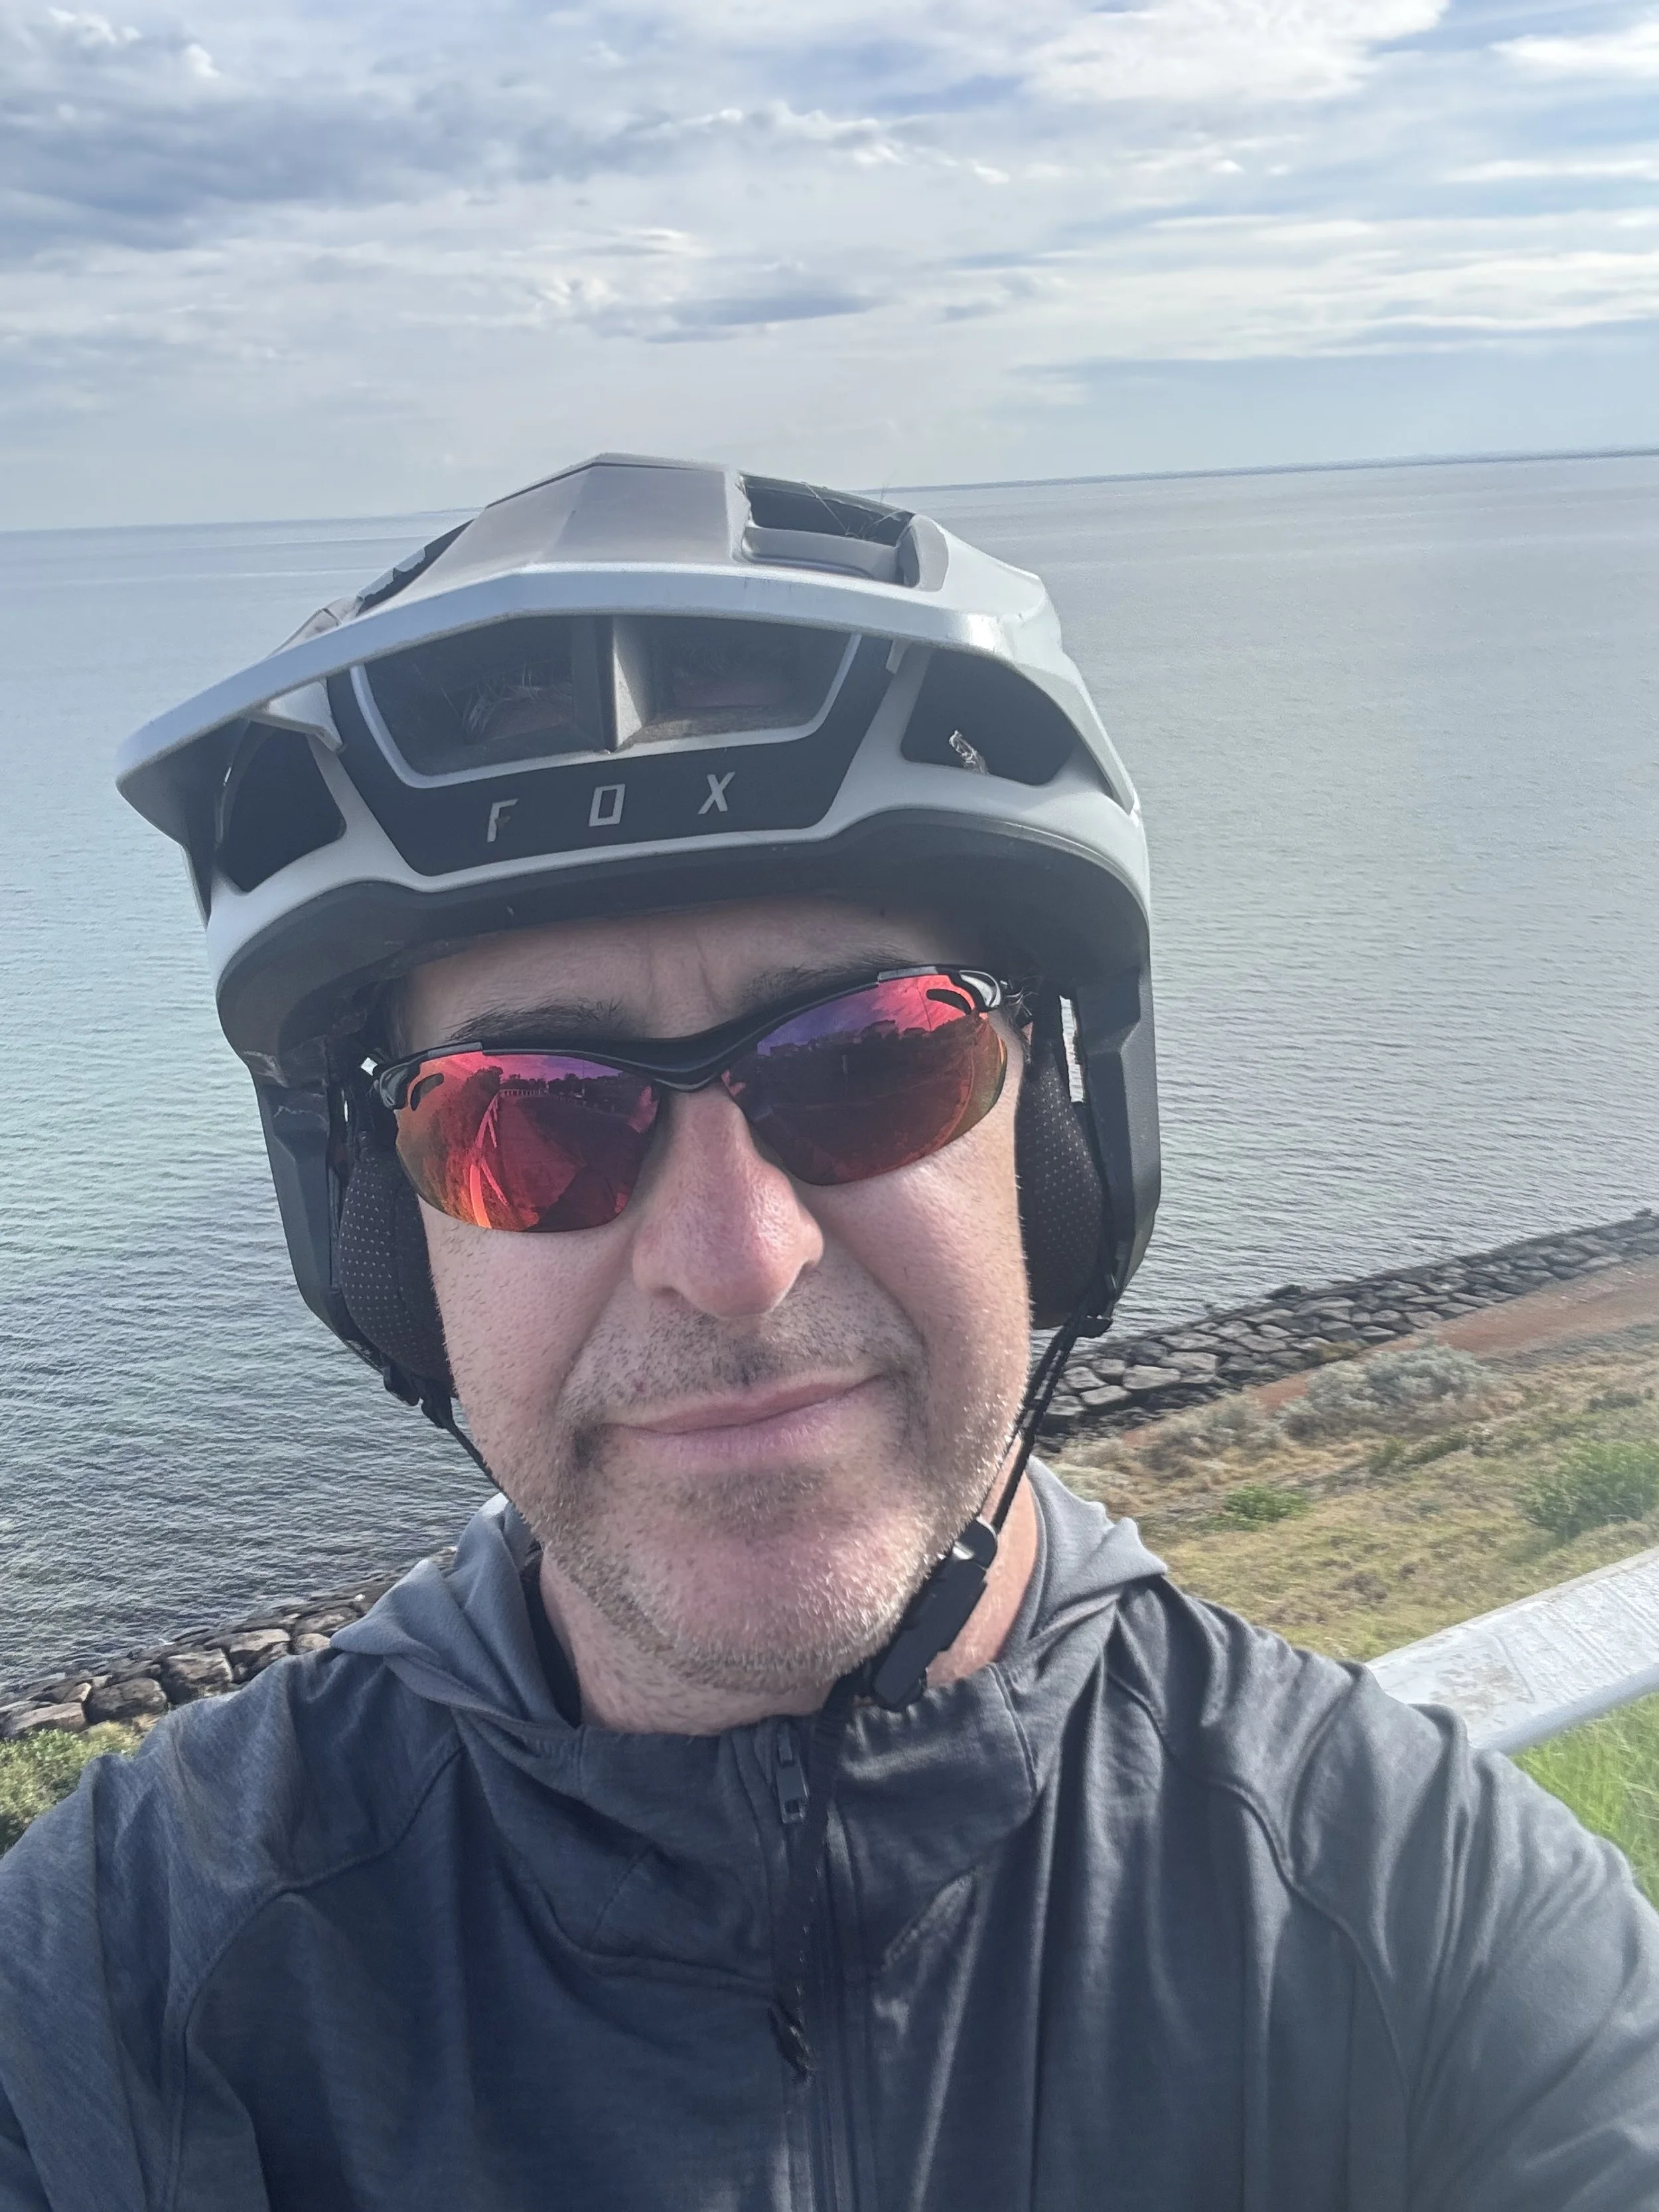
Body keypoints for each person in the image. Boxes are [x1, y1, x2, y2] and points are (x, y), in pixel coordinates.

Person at [1, 455, 1654, 2210]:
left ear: (1063, 1152)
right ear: (380, 1248)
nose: (734, 1260)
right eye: (526, 1118)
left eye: (872, 1061)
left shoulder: (1426, 1925)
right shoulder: (122, 1973)